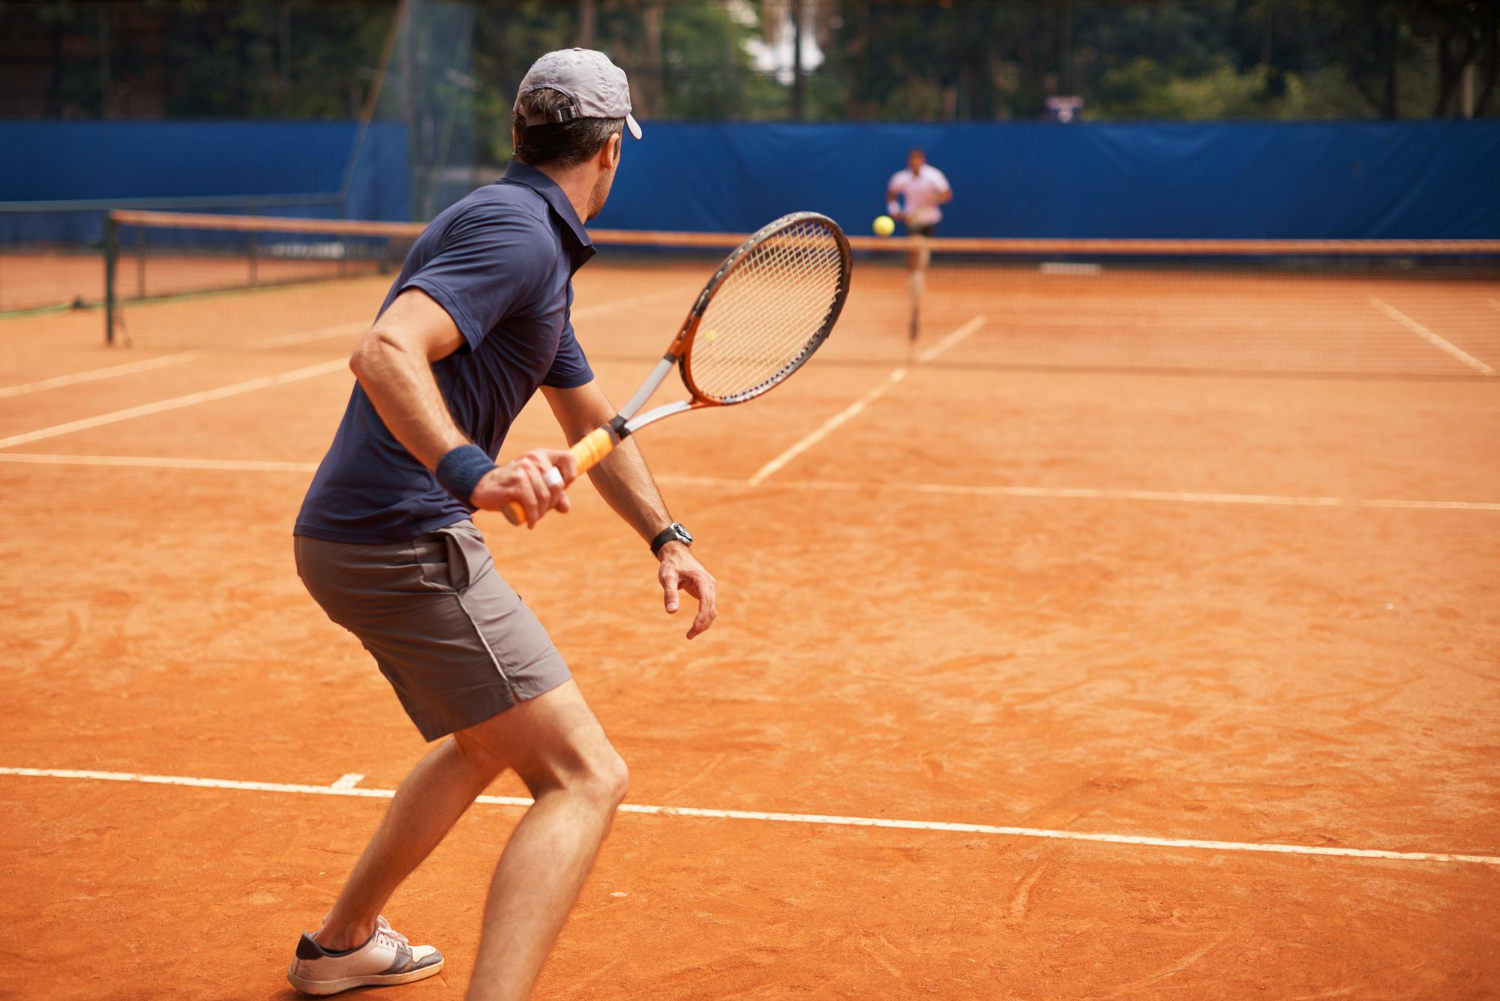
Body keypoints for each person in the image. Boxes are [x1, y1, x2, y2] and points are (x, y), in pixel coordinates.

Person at [284, 48, 717, 1000]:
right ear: (609, 150)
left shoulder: (528, 248)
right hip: (405, 537)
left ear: (520, 133)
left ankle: (342, 944)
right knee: (585, 775)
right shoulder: (518, 236)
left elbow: (595, 423)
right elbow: (384, 349)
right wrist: (473, 473)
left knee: (486, 738)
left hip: (357, 534)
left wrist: (667, 536)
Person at [885, 149, 953, 341]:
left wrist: (934, 199)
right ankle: (915, 281)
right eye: (912, 160)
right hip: (912, 222)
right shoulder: (901, 177)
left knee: (923, 256)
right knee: (914, 257)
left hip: (929, 221)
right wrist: (894, 210)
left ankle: (918, 276)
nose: (915, 163)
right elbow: (891, 194)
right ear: (909, 161)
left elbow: (947, 194)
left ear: (922, 161)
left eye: (918, 160)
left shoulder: (934, 175)